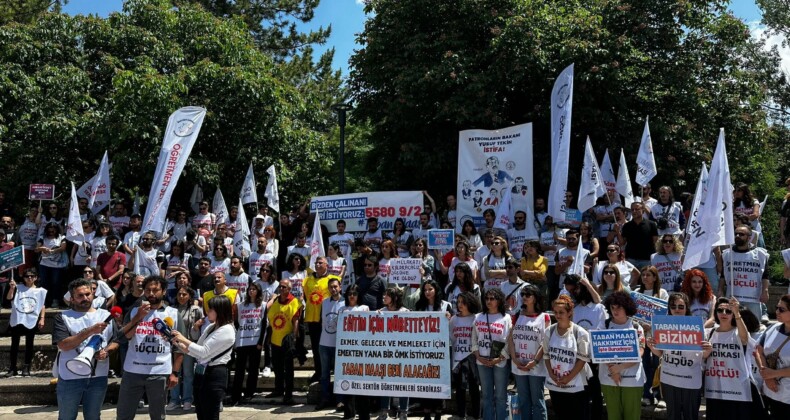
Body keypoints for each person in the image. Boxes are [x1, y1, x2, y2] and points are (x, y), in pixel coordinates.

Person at [117, 276, 183, 420]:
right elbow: (124, 337)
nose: (151, 293)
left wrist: (175, 373)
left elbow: (180, 347)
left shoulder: (172, 313)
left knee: (157, 416)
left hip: (159, 372)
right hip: (132, 371)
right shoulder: (135, 311)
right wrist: (138, 317)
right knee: (124, 414)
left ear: (164, 291)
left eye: (155, 290)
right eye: (148, 290)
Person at [53, 278, 118, 420]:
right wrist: (90, 331)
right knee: (66, 417)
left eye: (88, 294)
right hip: (70, 377)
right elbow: (63, 345)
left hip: (98, 377)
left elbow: (116, 341)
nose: (85, 298)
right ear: (72, 298)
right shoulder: (63, 317)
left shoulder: (106, 315)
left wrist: (107, 352)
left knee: (94, 417)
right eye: (80, 296)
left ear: (93, 294)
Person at [646, 292, 711, 420]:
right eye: (673, 306)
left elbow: (703, 355)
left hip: (691, 380)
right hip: (669, 379)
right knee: (672, 415)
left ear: (687, 308)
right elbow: (660, 353)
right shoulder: (662, 326)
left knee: (690, 415)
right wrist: (652, 346)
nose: (677, 310)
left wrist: (708, 350)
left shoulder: (697, 327)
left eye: (681, 307)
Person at [171, 295, 235, 419]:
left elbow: (203, 351)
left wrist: (183, 338)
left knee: (210, 413)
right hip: (201, 371)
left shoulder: (227, 329)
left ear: (220, 311)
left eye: (211, 310)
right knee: (201, 412)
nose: (207, 312)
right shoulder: (211, 327)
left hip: (215, 374)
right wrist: (177, 342)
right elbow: (196, 350)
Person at [704, 296, 761, 419]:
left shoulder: (738, 331)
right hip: (715, 388)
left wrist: (737, 313)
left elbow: (745, 338)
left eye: (728, 311)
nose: (724, 313)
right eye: (720, 310)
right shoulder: (709, 333)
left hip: (738, 389)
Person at [543, 294, 592, 420]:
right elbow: (546, 355)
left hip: (576, 384)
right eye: (556, 312)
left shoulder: (580, 333)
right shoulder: (549, 331)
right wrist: (552, 375)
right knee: (560, 415)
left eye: (561, 312)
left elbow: (582, 359)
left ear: (569, 313)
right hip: (556, 383)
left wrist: (568, 378)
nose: (558, 316)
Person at [599, 291, 646, 419]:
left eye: (619, 307)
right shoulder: (604, 325)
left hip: (632, 379)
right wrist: (613, 371)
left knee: (632, 416)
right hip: (608, 378)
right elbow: (600, 350)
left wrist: (619, 368)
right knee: (613, 416)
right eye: (612, 307)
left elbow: (640, 352)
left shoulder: (636, 326)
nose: (615, 311)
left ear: (627, 307)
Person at [508, 284, 549, 420]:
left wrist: (535, 361)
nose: (524, 298)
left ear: (535, 298)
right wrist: (514, 358)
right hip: (518, 364)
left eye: (528, 295)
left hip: (536, 365)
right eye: (523, 295)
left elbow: (545, 342)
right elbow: (511, 339)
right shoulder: (516, 315)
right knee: (523, 400)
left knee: (537, 400)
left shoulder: (544, 317)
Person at [472, 288, 512, 420]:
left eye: (492, 298)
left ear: (499, 300)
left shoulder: (506, 318)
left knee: (500, 396)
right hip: (481, 361)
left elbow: (509, 341)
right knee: (486, 395)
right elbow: (474, 339)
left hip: (500, 361)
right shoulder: (478, 317)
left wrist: (499, 358)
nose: (489, 301)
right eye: (487, 298)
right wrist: (478, 356)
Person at [265, 279, 302, 405]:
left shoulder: (294, 301)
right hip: (275, 339)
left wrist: (294, 337)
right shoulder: (276, 301)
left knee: (288, 369)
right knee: (277, 367)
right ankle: (278, 389)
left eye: (284, 287)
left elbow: (296, 320)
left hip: (287, 340)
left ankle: (288, 394)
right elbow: (270, 317)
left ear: (289, 289)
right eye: (280, 287)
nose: (281, 289)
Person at [720, 224, 769, 318]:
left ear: (749, 237)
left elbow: (765, 275)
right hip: (733, 297)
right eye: (736, 234)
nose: (737, 236)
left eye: (741, 234)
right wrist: (720, 290)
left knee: (754, 326)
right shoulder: (727, 254)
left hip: (753, 298)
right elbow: (723, 275)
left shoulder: (760, 254)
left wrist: (765, 291)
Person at [167, 286, 203, 411]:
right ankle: (174, 399)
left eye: (184, 294)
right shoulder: (171, 310)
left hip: (188, 346)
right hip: (174, 346)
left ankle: (187, 399)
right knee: (174, 372)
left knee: (188, 374)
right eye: (179, 294)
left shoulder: (196, 310)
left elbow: (200, 328)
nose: (181, 297)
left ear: (189, 296)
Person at [6, 268, 46, 377]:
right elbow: (9, 298)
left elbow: (42, 305)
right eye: (27, 276)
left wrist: (42, 318)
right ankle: (12, 367)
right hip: (18, 318)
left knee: (29, 344)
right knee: (14, 344)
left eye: (32, 276)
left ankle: (26, 366)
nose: (29, 278)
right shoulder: (17, 287)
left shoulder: (40, 291)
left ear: (36, 277)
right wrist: (11, 288)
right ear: (23, 277)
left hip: (31, 318)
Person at [230, 282, 265, 405]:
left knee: (253, 369)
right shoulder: (240, 306)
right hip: (242, 340)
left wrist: (261, 342)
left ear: (258, 291)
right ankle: (236, 395)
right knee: (240, 369)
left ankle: (249, 392)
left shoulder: (263, 305)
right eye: (250, 289)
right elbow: (237, 323)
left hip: (255, 341)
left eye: (254, 289)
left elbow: (264, 324)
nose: (251, 291)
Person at [377, 287, 410, 419]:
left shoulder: (405, 312)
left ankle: (403, 412)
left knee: (403, 382)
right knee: (385, 381)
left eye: (387, 295)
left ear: (395, 298)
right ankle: (384, 411)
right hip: (386, 353)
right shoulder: (381, 312)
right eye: (384, 294)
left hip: (402, 353)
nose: (384, 297)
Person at [340, 284, 372, 420]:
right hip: (346, 351)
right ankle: (349, 413)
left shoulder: (364, 308)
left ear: (359, 295)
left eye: (354, 293)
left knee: (362, 384)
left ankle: (364, 414)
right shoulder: (342, 309)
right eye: (349, 293)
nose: (352, 296)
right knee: (347, 383)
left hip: (362, 351)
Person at [756, 293, 790, 419]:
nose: (777, 311)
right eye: (777, 307)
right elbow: (758, 351)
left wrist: (773, 374)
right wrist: (767, 376)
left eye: (782, 309)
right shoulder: (773, 327)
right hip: (769, 393)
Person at [450, 292, 481, 420]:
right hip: (458, 358)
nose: (460, 305)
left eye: (463, 302)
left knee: (474, 388)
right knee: (460, 389)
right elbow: (451, 338)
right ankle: (461, 414)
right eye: (458, 302)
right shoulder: (454, 319)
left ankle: (476, 415)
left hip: (472, 357)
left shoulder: (477, 318)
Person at [303, 257, 335, 383]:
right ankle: (318, 371)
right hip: (312, 318)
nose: (317, 264)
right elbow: (306, 296)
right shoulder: (306, 280)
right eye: (316, 262)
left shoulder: (333, 279)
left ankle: (330, 369)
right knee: (316, 347)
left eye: (320, 262)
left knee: (329, 346)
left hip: (327, 318)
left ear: (327, 265)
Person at [316, 277, 345, 411]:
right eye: (331, 287)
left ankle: (340, 400)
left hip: (339, 344)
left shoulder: (345, 302)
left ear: (340, 287)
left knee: (339, 373)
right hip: (324, 342)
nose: (333, 289)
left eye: (335, 286)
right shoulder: (324, 302)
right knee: (324, 374)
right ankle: (324, 398)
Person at [36, 222, 67, 308]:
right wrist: (42, 248)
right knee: (44, 283)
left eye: (54, 228)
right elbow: (36, 249)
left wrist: (52, 251)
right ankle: (44, 301)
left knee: (56, 283)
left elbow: (63, 247)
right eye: (50, 228)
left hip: (57, 265)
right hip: (44, 264)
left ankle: (55, 300)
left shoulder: (62, 237)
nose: (51, 230)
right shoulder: (43, 237)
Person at [620, 202, 659, 270]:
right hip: (631, 259)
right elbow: (622, 242)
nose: (634, 211)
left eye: (637, 209)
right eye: (632, 209)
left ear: (643, 211)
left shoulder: (651, 224)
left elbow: (655, 242)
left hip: (647, 259)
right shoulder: (627, 226)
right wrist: (617, 231)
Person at [555, 228, 590, 292]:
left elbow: (587, 270)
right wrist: (566, 264)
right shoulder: (560, 252)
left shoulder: (585, 252)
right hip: (564, 286)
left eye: (573, 239)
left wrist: (574, 262)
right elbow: (557, 271)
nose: (571, 240)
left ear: (578, 239)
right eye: (568, 239)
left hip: (580, 286)